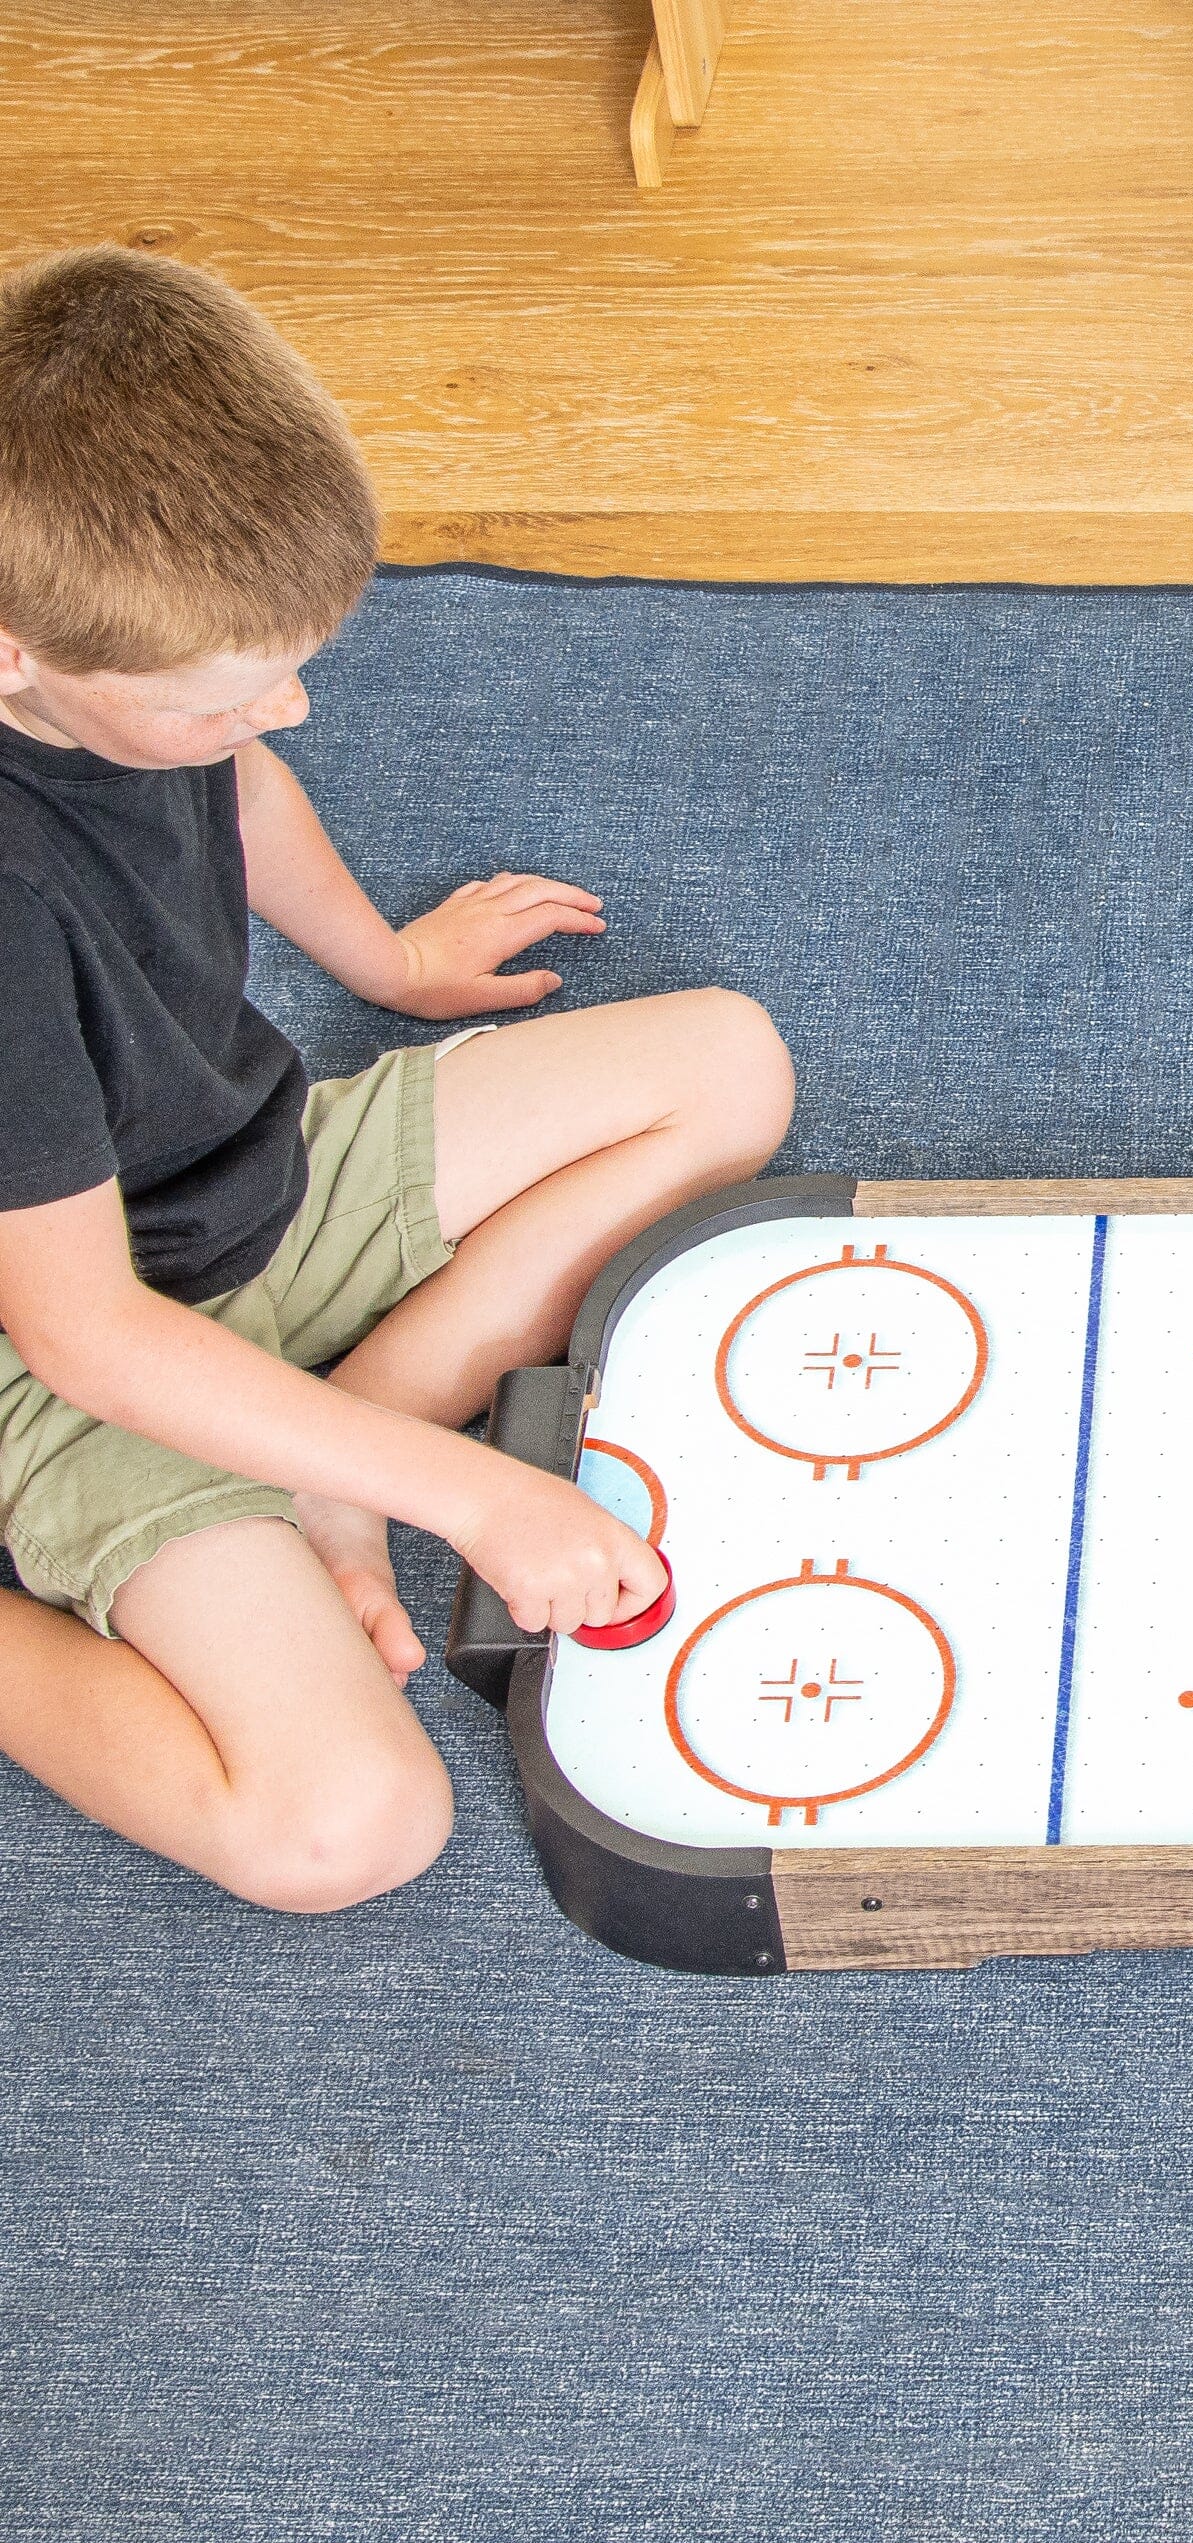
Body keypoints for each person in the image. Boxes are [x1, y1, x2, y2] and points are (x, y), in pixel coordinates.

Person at [0, 247, 794, 1911]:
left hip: (250, 1180)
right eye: (225, 691)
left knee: (725, 1064)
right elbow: (89, 1333)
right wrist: (471, 1495)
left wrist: (390, 966)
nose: (280, 709)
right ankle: (312, 1474)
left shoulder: (146, 706)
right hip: (69, 1360)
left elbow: (243, 788)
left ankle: (323, 1453)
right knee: (346, 1828)